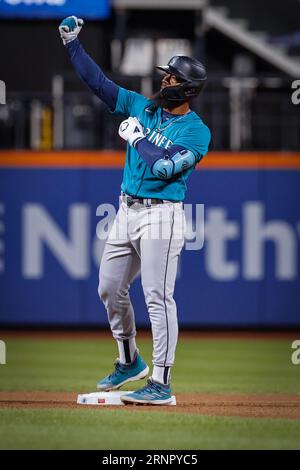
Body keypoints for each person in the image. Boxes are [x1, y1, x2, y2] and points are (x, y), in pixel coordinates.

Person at [59, 16, 211, 405]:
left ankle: (161, 384)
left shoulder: (197, 131)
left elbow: (164, 167)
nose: (165, 80)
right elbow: (99, 84)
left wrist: (139, 138)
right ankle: (129, 361)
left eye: (172, 78)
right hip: (126, 210)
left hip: (162, 215)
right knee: (109, 287)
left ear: (188, 89)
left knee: (158, 297)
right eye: (165, 75)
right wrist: (73, 44)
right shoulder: (141, 106)